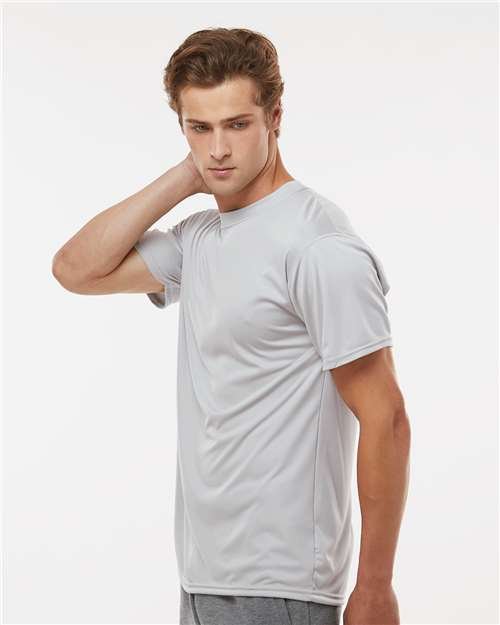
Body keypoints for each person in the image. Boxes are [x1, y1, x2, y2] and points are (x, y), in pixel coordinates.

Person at [52, 27, 411, 625]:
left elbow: (386, 416)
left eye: (237, 125)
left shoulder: (318, 246)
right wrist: (186, 176)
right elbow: (75, 269)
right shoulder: (199, 240)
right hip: (203, 579)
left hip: (283, 587)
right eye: (200, 128)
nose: (219, 149)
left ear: (275, 118)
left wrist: (375, 587)